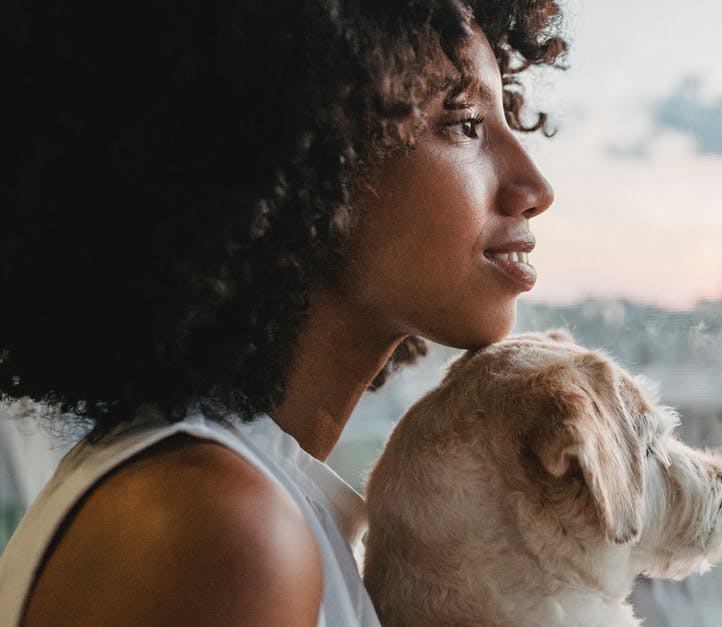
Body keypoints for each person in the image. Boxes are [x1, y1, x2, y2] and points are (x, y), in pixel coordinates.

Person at [0, 0, 565, 624]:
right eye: (463, 123)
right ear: (308, 152)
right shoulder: (218, 529)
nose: (535, 188)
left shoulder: (240, 491)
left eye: (505, 116)